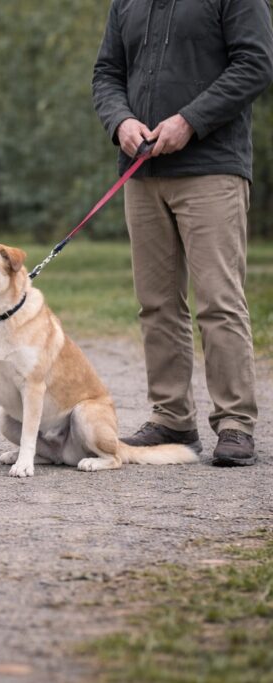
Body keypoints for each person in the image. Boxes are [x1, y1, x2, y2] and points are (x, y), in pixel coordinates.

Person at [93, 0, 273, 466]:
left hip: (212, 170)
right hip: (141, 172)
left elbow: (255, 64)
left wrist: (190, 120)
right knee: (156, 303)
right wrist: (121, 122)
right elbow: (107, 73)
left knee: (219, 300)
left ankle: (235, 423)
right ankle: (171, 416)